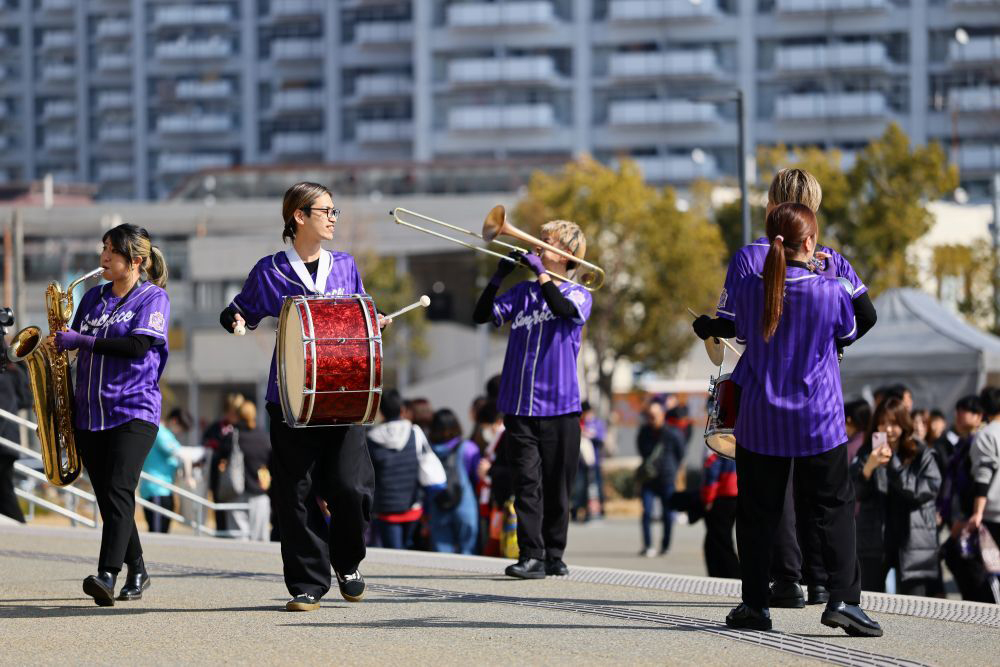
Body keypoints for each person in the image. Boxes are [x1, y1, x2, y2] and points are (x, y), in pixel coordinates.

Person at [693, 168, 877, 609]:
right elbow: (861, 318)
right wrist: (826, 349)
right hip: (819, 404)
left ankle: (769, 593)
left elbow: (733, 326)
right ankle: (833, 593)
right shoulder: (833, 267)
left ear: (771, 205)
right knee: (829, 502)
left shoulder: (748, 262)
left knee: (760, 508)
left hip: (762, 404)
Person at [219, 182, 389, 612]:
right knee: (295, 494)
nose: (333, 217)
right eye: (326, 210)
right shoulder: (270, 270)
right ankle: (307, 583)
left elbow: (361, 311)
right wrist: (234, 317)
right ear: (299, 215)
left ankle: (347, 561)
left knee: (352, 488)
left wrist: (375, 318)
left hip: (345, 395)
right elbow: (244, 310)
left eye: (335, 211)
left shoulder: (346, 265)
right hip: (292, 399)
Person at [54, 223, 170, 606]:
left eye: (112, 252)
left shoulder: (153, 298)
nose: (103, 258)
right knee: (110, 497)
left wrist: (82, 340)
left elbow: (137, 346)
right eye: (103, 248)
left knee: (119, 489)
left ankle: (107, 573)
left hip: (134, 410)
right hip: (90, 413)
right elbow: (70, 344)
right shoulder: (92, 298)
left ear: (135, 261)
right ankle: (138, 568)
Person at [473, 218, 592, 579]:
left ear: (566, 253)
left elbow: (562, 311)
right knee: (527, 483)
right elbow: (481, 316)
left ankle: (555, 554)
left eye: (545, 240)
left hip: (561, 407)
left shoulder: (579, 293)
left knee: (558, 485)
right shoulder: (523, 292)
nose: (536, 245)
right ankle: (531, 554)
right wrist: (498, 277)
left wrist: (541, 274)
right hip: (518, 405)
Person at [853, 397, 941, 596]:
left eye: (893, 423)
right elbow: (853, 493)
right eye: (882, 423)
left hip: (913, 540)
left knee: (915, 606)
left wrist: (893, 466)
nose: (887, 429)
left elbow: (926, 490)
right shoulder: (867, 452)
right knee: (870, 601)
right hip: (875, 540)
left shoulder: (920, 452)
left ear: (903, 424)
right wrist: (868, 468)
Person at [367, 389, 446, 549]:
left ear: (381, 412)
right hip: (413, 506)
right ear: (402, 410)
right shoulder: (415, 432)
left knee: (395, 553)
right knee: (410, 550)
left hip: (385, 509)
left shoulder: (371, 437)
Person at [636, 400, 687, 557]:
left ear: (662, 415)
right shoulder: (644, 432)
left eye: (655, 415)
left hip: (667, 477)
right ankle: (648, 545)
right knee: (646, 511)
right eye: (649, 416)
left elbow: (681, 453)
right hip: (649, 478)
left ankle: (665, 545)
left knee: (667, 513)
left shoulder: (673, 433)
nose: (652, 419)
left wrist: (671, 468)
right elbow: (641, 450)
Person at [427, 408, 480, 554]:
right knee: (468, 551)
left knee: (442, 553)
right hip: (465, 503)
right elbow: (476, 477)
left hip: (437, 503)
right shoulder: (469, 448)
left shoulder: (428, 450)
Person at [222, 399, 272, 542]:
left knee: (238, 539)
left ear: (237, 415)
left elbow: (221, 455)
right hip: (260, 494)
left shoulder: (233, 437)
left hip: (237, 492)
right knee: (260, 540)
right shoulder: (264, 437)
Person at [140, 408, 191, 533]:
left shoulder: (167, 434)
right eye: (181, 429)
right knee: (157, 531)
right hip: (156, 488)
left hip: (165, 488)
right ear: (174, 421)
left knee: (163, 530)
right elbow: (179, 453)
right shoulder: (160, 432)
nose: (180, 433)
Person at [201, 393, 244, 534]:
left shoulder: (242, 428)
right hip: (218, 476)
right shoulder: (215, 427)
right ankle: (221, 533)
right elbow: (205, 444)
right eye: (230, 412)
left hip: (239, 475)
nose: (233, 416)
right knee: (219, 505)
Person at [0, 360, 31, 523]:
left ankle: (20, 525)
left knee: (5, 490)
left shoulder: (6, 374)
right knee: (4, 490)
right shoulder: (13, 372)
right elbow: (26, 400)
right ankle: (19, 525)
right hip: (9, 440)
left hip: (4, 442)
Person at [701, 447, 739, 579]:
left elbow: (712, 470)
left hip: (722, 496)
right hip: (737, 493)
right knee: (724, 539)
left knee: (718, 541)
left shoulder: (716, 442)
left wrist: (708, 498)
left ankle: (729, 575)